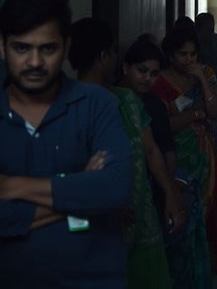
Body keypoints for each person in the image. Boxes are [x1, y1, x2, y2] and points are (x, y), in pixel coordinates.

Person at [0, 0, 132, 288]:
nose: (34, 62)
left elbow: (115, 189)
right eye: (22, 48)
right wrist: (79, 191)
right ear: (1, 46)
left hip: (94, 280)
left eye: (48, 49)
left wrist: (10, 185)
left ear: (66, 47)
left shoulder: (97, 104)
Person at [71, 20, 182, 289]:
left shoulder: (126, 100)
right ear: (104, 57)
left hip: (141, 219)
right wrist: (104, 206)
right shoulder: (70, 105)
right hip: (94, 225)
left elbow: (151, 150)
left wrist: (171, 193)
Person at [151, 26, 217, 280]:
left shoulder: (206, 74)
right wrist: (195, 114)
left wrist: (201, 79)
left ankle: (205, 261)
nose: (189, 60)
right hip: (176, 154)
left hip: (204, 153)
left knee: (207, 206)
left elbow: (215, 111)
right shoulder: (159, 81)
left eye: (192, 54)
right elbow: (164, 124)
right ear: (170, 55)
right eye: (182, 54)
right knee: (183, 206)